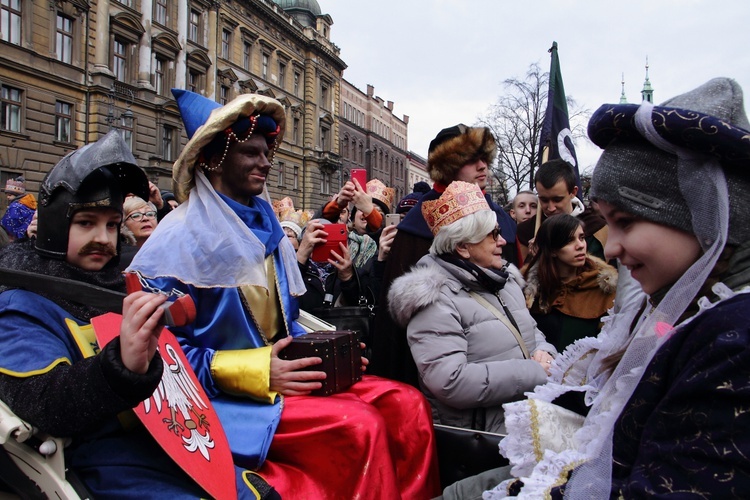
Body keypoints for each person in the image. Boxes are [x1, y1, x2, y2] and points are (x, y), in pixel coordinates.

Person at [128, 89, 440, 499]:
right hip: (224, 401)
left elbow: (284, 323)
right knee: (360, 425)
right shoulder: (173, 242)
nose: (266, 162)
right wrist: (257, 371)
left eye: (267, 151)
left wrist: (331, 354)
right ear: (213, 157)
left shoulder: (267, 229)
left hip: (286, 382)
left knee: (407, 405)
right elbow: (160, 360)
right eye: (250, 152)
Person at [478, 77, 750, 498]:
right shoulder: (686, 308)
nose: (613, 248)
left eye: (626, 222)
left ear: (700, 215)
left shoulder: (735, 341)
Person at [0, 130, 275, 499]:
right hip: (93, 463)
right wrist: (121, 367)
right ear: (54, 225)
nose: (103, 237)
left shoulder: (119, 286)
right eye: (86, 223)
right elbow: (43, 403)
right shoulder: (22, 302)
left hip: (156, 443)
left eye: (112, 224)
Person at [388, 181, 555, 433]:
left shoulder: (505, 282)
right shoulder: (435, 299)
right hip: (483, 440)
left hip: (525, 421)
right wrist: (533, 372)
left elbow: (531, 333)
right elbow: (450, 381)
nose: (502, 242)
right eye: (493, 235)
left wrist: (546, 353)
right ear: (463, 247)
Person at [371, 123, 518, 386]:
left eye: (484, 158)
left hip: (501, 359)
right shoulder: (417, 226)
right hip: (442, 369)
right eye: (471, 160)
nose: (483, 166)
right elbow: (396, 326)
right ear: (448, 166)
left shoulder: (501, 218)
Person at [521, 214, 617, 352]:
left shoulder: (603, 286)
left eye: (582, 238)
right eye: (569, 240)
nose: (580, 245)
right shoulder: (529, 291)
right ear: (552, 250)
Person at [516, 159, 608, 265]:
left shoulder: (599, 230)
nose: (551, 208)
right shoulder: (524, 232)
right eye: (544, 200)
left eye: (557, 200)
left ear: (573, 192)